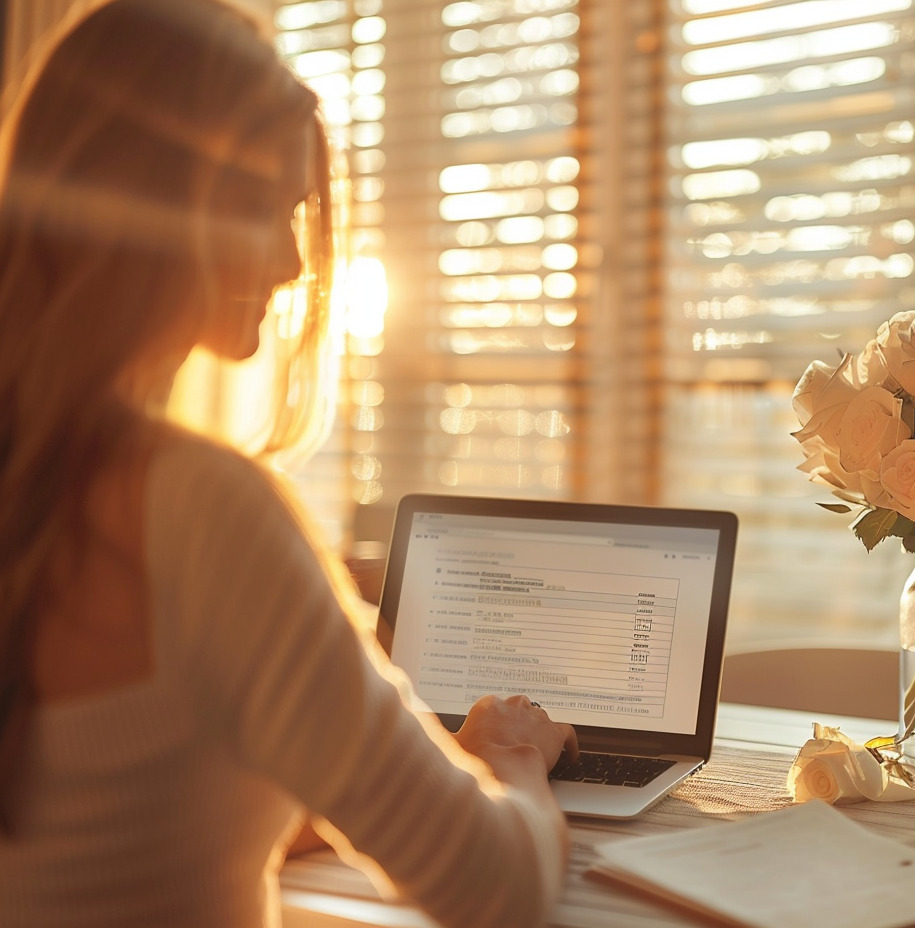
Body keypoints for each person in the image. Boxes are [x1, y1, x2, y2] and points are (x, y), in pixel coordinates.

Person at [0, 1, 577, 926]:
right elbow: (494, 887)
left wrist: (394, 767)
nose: (290, 262)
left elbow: (109, 806)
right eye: (265, 210)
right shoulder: (194, 505)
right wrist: (511, 756)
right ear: (162, 205)